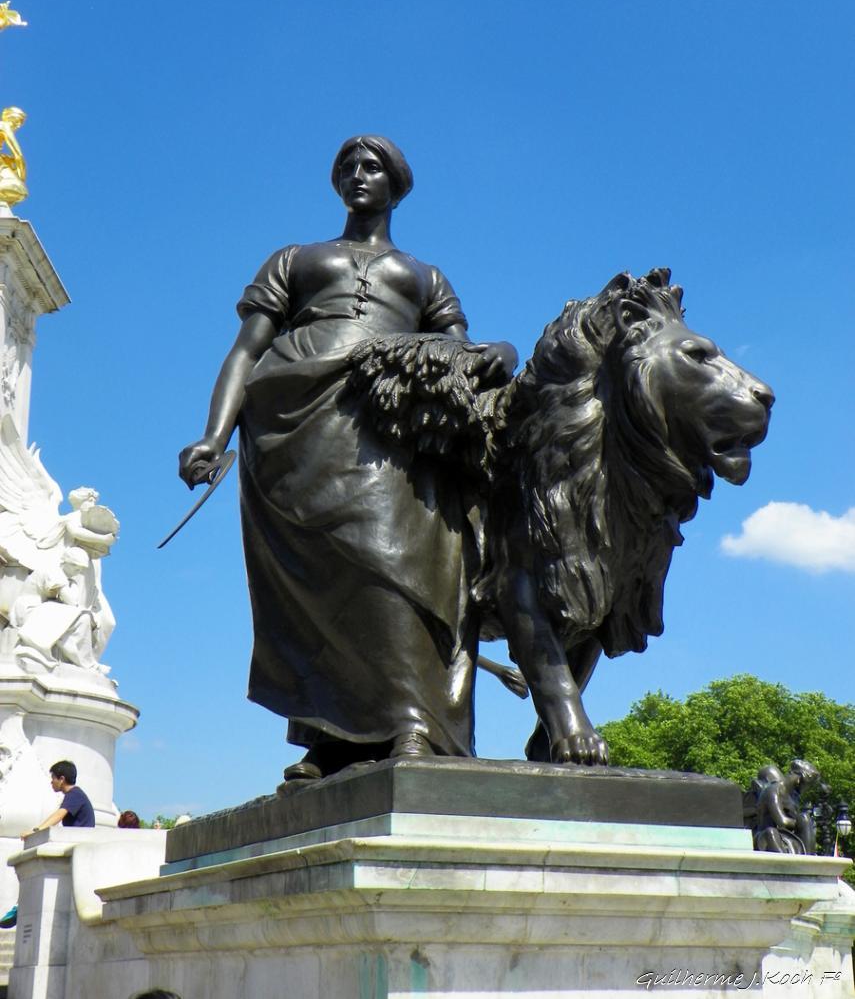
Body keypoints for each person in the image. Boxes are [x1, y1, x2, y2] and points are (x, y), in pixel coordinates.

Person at [179, 135, 516, 781]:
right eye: (348, 168)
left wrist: (498, 351)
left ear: (396, 185)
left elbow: (457, 351)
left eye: (373, 167)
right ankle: (329, 738)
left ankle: (413, 723)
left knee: (392, 564)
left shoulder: (424, 275)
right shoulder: (296, 259)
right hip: (294, 428)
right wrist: (213, 436)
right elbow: (246, 349)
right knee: (318, 584)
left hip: (384, 422)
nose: (359, 176)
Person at [22, 759, 95, 837]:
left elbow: (58, 815)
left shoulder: (75, 794)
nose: (51, 782)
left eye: (53, 778)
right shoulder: (75, 794)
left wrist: (36, 831)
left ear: (61, 779)